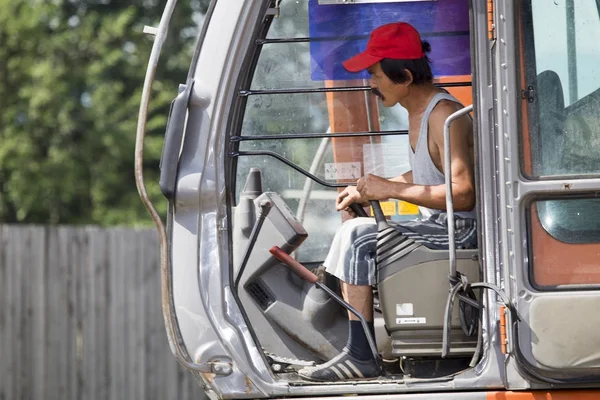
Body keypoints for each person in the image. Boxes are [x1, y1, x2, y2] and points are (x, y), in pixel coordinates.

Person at [298, 22, 477, 382]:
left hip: (462, 231)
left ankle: (361, 355)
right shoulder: (419, 113)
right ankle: (352, 331)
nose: (372, 84)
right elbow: (429, 176)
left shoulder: (443, 115)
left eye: (376, 75)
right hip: (440, 225)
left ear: (405, 76)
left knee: (359, 236)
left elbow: (463, 192)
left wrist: (389, 190)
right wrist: (368, 189)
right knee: (355, 228)